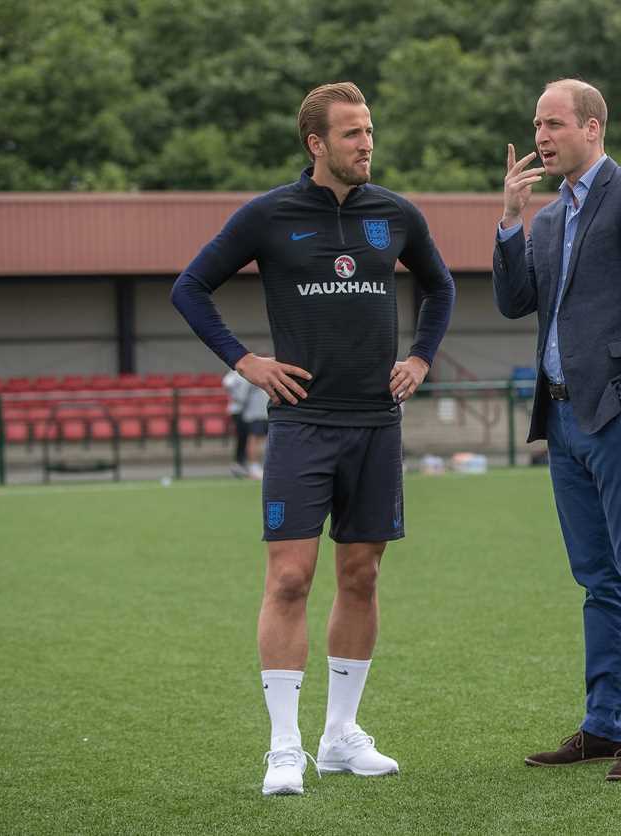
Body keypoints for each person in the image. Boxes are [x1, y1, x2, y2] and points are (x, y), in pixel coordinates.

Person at [171, 82, 456, 796]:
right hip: (302, 425)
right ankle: (284, 746)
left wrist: (421, 357)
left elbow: (441, 286)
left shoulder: (395, 215)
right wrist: (247, 361)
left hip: (375, 425)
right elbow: (190, 287)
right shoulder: (269, 215)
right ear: (316, 144)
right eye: (353, 133)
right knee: (291, 578)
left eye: (369, 131)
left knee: (361, 576)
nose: (367, 143)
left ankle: (339, 736)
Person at [492, 78, 621, 781]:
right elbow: (515, 302)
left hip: (618, 419)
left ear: (593, 127)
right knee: (596, 580)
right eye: (536, 125)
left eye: (553, 123)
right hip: (563, 418)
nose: (541, 136)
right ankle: (603, 727)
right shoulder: (545, 220)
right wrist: (511, 220)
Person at [224, 368, 270, 479]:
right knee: (252, 438)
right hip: (252, 413)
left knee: (252, 439)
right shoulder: (242, 373)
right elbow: (239, 394)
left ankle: (245, 465)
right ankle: (251, 466)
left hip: (257, 412)